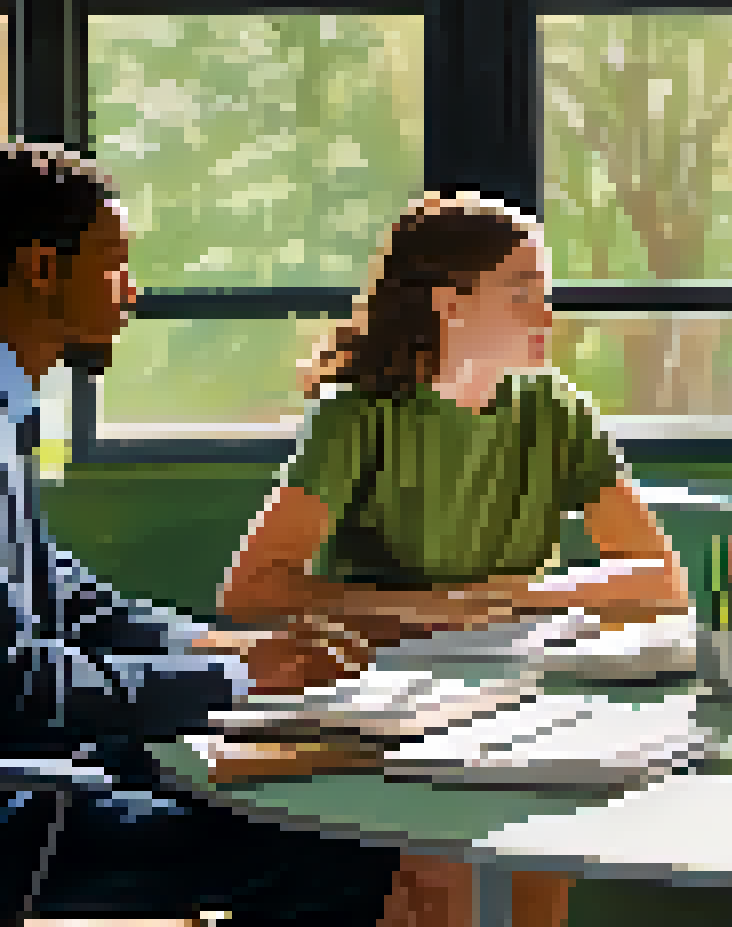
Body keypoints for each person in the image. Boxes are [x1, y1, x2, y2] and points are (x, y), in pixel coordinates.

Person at [0, 144, 455, 925]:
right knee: (333, 847)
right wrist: (246, 682)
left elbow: (60, 594)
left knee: (320, 814)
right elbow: (7, 681)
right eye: (115, 266)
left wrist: (224, 650)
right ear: (42, 269)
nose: (132, 292)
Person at [217, 190, 692, 927]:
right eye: (522, 290)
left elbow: (659, 578)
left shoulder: (555, 409)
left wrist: (518, 598)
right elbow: (251, 592)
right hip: (385, 699)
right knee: (438, 881)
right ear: (451, 304)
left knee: (541, 866)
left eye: (545, 291)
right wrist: (425, 611)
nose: (545, 315)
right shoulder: (357, 413)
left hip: (517, 690)